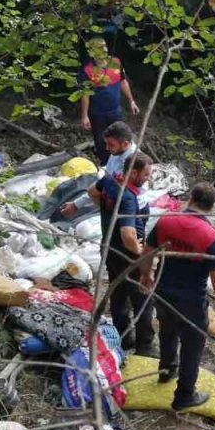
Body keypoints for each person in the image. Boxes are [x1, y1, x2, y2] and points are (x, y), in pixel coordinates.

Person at [141, 182, 215, 410]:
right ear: (211, 207)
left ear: (191, 198)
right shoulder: (210, 236)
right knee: (192, 347)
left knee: (167, 330)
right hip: (191, 301)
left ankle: (166, 371)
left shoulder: (166, 220)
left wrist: (146, 275)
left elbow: (147, 252)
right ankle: (184, 396)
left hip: (163, 292)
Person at [88, 152, 155, 355]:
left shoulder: (109, 180)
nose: (148, 178)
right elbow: (128, 234)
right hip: (128, 256)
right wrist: (140, 251)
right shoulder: (127, 197)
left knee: (118, 293)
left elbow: (92, 191)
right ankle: (145, 347)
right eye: (146, 174)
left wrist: (107, 213)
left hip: (109, 248)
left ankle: (123, 338)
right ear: (133, 173)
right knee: (143, 299)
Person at [79, 37, 140, 164]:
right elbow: (85, 94)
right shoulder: (88, 70)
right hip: (97, 114)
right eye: (100, 47)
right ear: (92, 51)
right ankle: (106, 167)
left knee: (122, 138)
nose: (105, 49)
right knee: (102, 144)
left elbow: (123, 82)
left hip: (115, 112)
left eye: (105, 46)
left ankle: (126, 164)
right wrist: (84, 116)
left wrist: (131, 101)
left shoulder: (115, 63)